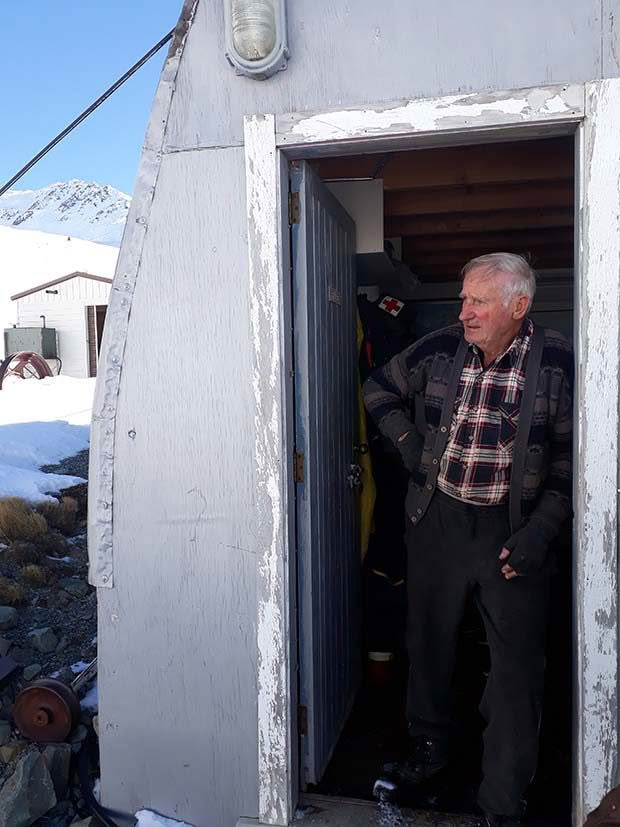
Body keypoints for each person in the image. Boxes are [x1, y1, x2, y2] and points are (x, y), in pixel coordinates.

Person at [363, 253, 573, 826]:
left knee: (516, 670)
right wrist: (408, 444)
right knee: (427, 645)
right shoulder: (438, 348)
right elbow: (378, 388)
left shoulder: (556, 362)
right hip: (438, 520)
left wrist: (541, 531)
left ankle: (503, 799)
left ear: (519, 306)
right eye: (463, 300)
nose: (465, 313)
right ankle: (428, 753)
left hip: (513, 536)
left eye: (478, 302)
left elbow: (570, 460)